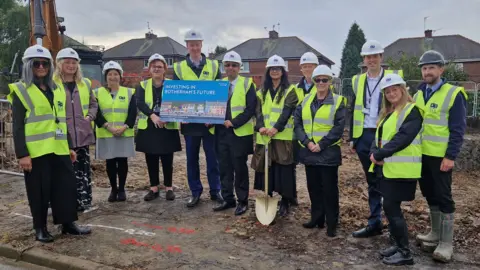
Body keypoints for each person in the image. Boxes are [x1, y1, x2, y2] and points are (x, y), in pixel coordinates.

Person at [8, 44, 91, 243]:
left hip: (59, 148)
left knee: (65, 187)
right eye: (36, 63)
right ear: (29, 65)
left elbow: (60, 119)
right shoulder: (21, 90)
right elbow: (18, 126)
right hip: (36, 152)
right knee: (39, 191)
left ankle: (68, 223)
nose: (41, 67)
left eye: (45, 63)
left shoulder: (56, 89)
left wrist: (69, 146)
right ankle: (40, 227)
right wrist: (22, 155)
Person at [413, 50, 467, 263]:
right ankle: (435, 233)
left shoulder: (453, 94)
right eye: (424, 68)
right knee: (429, 194)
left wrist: (450, 156)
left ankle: (446, 243)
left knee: (444, 196)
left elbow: (458, 129)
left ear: (441, 69)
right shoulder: (419, 94)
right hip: (422, 155)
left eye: (431, 67)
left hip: (440, 157)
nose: (427, 71)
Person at [349, 40, 404, 238]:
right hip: (364, 135)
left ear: (381, 57)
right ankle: (375, 222)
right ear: (364, 59)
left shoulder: (393, 78)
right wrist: (353, 138)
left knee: (388, 180)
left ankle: (394, 225)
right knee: (372, 179)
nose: (371, 60)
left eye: (375, 56)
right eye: (368, 57)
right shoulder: (357, 81)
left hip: (386, 134)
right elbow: (353, 108)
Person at [369, 73, 423, 265]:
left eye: (395, 89)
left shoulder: (412, 111)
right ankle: (398, 246)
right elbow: (379, 138)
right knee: (390, 207)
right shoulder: (388, 113)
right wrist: (374, 152)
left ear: (403, 89)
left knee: (391, 207)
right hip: (390, 169)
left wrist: (380, 155)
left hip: (403, 170)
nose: (392, 93)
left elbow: (403, 139)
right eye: (388, 91)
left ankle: (405, 253)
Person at [294, 65, 345, 237]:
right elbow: (298, 123)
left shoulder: (338, 101)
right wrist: (307, 142)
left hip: (328, 152)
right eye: (318, 80)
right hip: (310, 151)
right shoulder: (306, 100)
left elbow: (338, 127)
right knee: (313, 187)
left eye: (325, 79)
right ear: (314, 81)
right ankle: (317, 218)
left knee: (329, 189)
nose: (321, 82)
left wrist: (321, 144)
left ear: (330, 81)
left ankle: (332, 223)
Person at [173, 30, 222, 208]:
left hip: (209, 123)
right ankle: (195, 192)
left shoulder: (214, 66)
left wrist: (213, 116)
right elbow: (175, 94)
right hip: (190, 124)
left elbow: (219, 93)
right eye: (191, 44)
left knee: (213, 159)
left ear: (201, 44)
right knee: (192, 160)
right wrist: (179, 114)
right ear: (187, 46)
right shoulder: (179, 67)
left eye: (197, 44)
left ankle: (216, 191)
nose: (194, 47)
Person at [252, 55, 301, 217]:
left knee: (284, 170)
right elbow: (258, 113)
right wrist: (260, 127)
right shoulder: (261, 92)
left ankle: (286, 201)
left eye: (278, 69)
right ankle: (270, 196)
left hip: (282, 137)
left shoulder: (291, 90)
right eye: (272, 69)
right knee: (267, 170)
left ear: (283, 71)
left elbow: (287, 112)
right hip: (265, 137)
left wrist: (276, 128)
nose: (275, 71)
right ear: (268, 71)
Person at [53, 48, 97, 212]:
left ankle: (83, 201)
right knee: (63, 172)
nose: (71, 66)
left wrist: (89, 117)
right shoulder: (52, 83)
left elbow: (93, 104)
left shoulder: (84, 83)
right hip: (62, 136)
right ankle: (64, 203)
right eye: (67, 62)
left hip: (82, 134)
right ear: (59, 64)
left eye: (74, 63)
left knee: (82, 171)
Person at [212, 51, 256, 215]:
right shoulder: (219, 84)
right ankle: (228, 199)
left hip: (239, 134)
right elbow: (211, 106)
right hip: (221, 134)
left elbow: (250, 109)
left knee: (240, 169)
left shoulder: (247, 84)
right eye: (228, 65)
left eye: (234, 65)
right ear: (224, 67)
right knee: (224, 168)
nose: (231, 68)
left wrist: (234, 122)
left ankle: (242, 201)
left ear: (240, 67)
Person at [136, 53, 181, 201]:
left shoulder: (172, 85)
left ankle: (169, 187)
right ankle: (153, 188)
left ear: (165, 69)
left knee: (167, 158)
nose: (157, 69)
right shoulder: (142, 85)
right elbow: (140, 103)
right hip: (149, 127)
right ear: (149, 69)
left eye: (160, 67)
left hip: (167, 127)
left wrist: (167, 118)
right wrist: (153, 115)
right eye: (154, 66)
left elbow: (178, 103)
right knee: (151, 158)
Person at [94, 61, 136, 202]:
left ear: (120, 76)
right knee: (110, 162)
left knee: (122, 161)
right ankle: (113, 189)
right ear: (106, 77)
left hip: (123, 133)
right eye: (110, 74)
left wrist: (124, 127)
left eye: (116, 74)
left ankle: (122, 189)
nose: (113, 77)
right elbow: (96, 113)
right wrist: (108, 127)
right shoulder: (97, 93)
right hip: (106, 133)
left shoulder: (129, 92)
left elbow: (132, 113)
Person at [291, 51, 319, 207]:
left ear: (316, 67)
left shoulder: (322, 84)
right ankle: (292, 196)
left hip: (315, 133)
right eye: (305, 67)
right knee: (292, 165)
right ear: (301, 69)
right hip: (298, 132)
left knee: (313, 168)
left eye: (311, 66)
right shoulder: (296, 88)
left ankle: (316, 202)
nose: (308, 69)